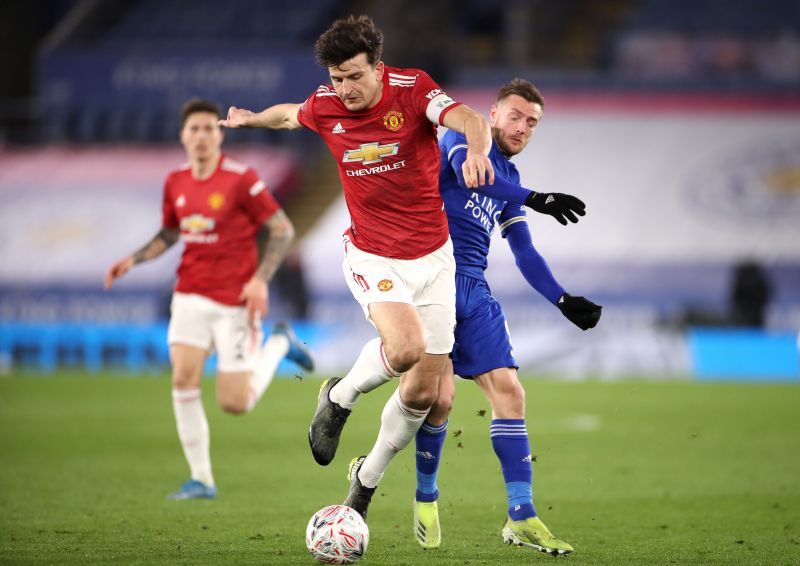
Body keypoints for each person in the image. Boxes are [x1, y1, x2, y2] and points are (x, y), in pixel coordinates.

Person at [219, 14, 524, 522]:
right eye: (337, 78)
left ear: (378, 67)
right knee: (403, 349)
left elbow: (470, 118)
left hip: (435, 258)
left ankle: (365, 478)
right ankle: (339, 397)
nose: (346, 89)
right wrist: (250, 120)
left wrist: (475, 149)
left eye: (355, 76)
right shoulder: (327, 105)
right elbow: (290, 114)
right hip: (373, 254)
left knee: (426, 393)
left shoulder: (413, 90)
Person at [411, 79, 602, 555]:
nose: (522, 127)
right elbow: (474, 175)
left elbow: (525, 251)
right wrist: (535, 197)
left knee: (511, 391)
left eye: (532, 122)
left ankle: (522, 515)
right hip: (431, 278)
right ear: (493, 114)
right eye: (515, 116)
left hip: (474, 288)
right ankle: (426, 495)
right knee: (440, 401)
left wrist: (561, 299)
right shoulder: (462, 136)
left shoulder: (511, 184)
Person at [103, 98, 314, 500]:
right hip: (189, 296)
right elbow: (170, 233)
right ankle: (201, 479)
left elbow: (283, 230)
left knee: (235, 404)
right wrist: (131, 260)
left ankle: (280, 342)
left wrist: (260, 279)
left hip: (234, 302)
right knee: (183, 378)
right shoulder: (176, 182)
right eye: (193, 129)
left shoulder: (241, 179)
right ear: (183, 136)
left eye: (207, 128)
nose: (201, 136)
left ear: (219, 134)